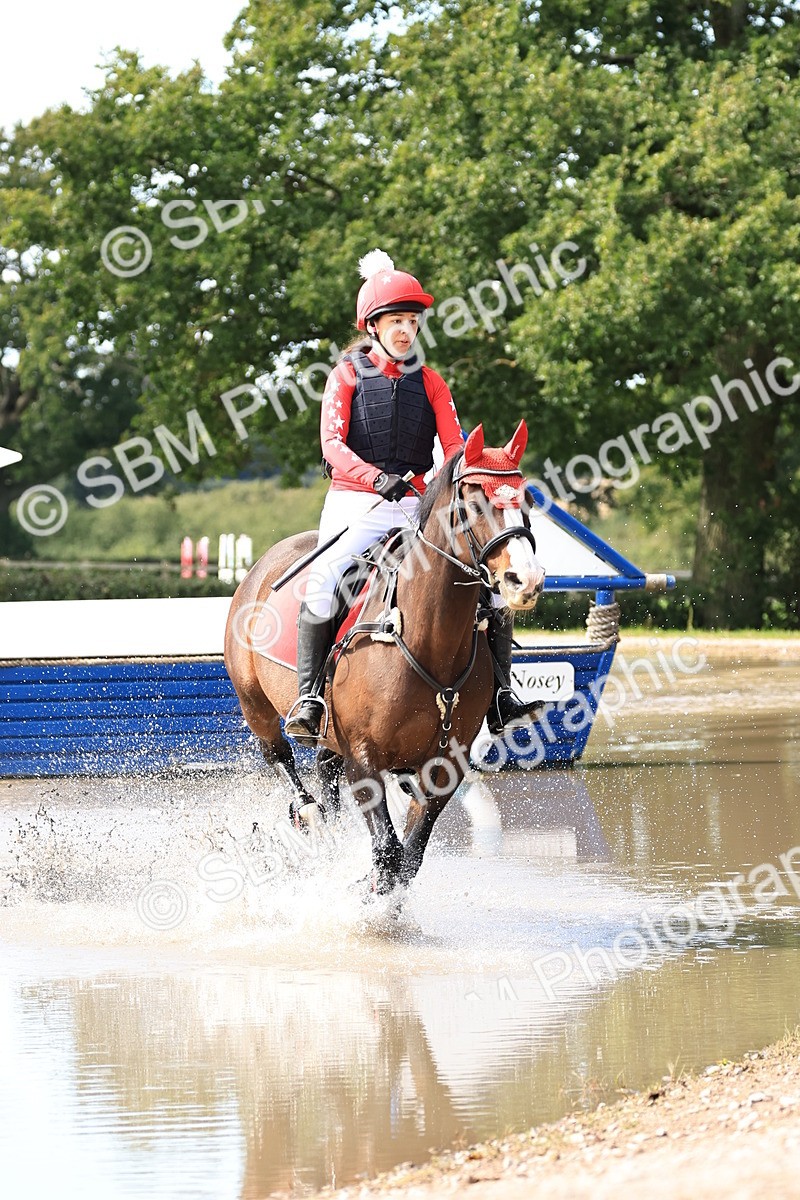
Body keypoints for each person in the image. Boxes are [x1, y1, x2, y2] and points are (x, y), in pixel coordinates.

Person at [283, 249, 538, 744]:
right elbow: (332, 446)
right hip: (357, 499)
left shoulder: (433, 383)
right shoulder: (346, 376)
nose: (406, 330)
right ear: (373, 326)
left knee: (488, 584)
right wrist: (377, 479)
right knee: (327, 579)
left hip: (417, 501)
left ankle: (502, 697)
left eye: (412, 321)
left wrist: (452, 476)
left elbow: (454, 448)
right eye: (396, 320)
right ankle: (310, 697)